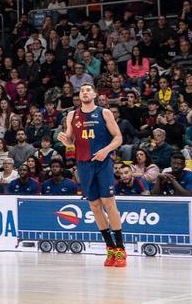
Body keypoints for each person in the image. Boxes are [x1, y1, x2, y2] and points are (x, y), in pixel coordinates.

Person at [58, 82, 128, 267]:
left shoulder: (104, 112)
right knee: (95, 206)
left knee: (109, 203)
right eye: (82, 90)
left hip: (103, 162)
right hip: (83, 164)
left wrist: (106, 150)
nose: (85, 92)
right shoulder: (72, 115)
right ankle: (110, 248)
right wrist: (65, 141)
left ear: (95, 94)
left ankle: (121, 249)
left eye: (88, 90)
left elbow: (118, 138)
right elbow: (71, 141)